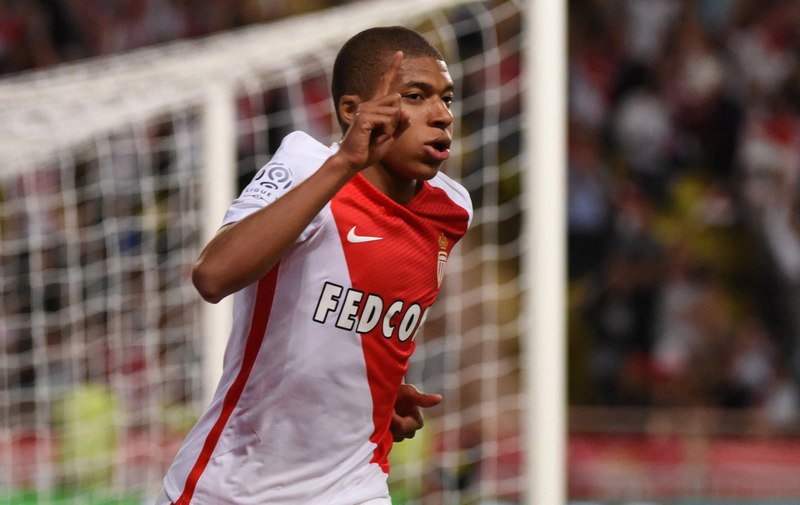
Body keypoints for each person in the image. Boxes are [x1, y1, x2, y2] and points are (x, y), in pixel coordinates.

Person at [156, 26, 472, 505]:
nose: (442, 115)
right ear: (352, 110)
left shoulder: (451, 209)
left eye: (446, 99)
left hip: (353, 486)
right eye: (415, 96)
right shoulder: (307, 167)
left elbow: (358, 325)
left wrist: (373, 394)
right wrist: (343, 164)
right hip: (231, 486)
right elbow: (212, 276)